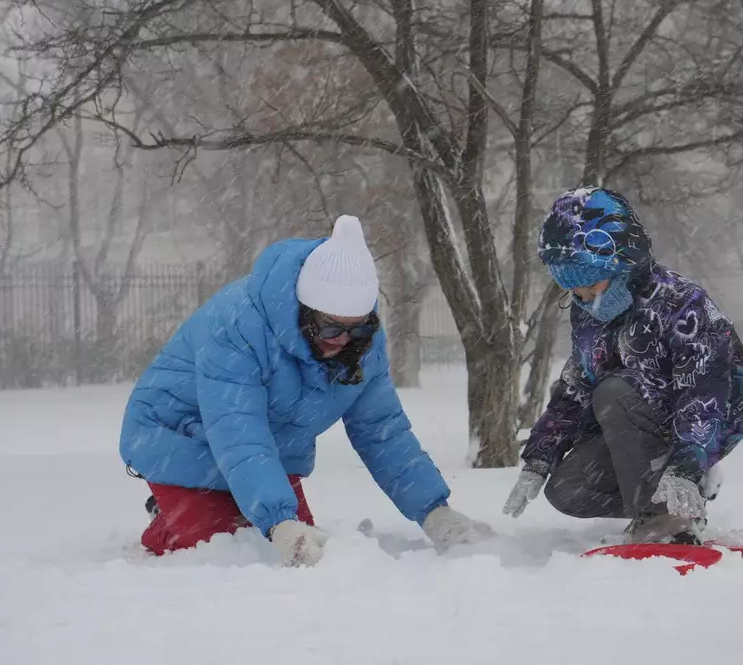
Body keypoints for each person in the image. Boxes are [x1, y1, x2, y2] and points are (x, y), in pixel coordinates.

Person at [120, 215, 493, 566]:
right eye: (331, 328)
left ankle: (210, 502)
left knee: (302, 542)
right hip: (176, 433)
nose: (344, 340)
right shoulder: (237, 327)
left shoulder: (362, 346)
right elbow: (238, 430)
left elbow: (383, 431)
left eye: (357, 328)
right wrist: (278, 521)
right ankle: (170, 512)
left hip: (267, 444)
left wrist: (434, 510)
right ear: (302, 309)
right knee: (222, 543)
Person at [502, 187, 743, 545]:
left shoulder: (680, 303)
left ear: (622, 262)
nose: (583, 298)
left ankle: (669, 518)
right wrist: (539, 459)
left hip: (699, 419)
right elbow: (576, 388)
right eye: (573, 290)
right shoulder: (589, 315)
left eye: (590, 284)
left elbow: (705, 390)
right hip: (630, 425)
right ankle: (659, 499)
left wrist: (688, 462)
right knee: (569, 490)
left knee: (614, 390)